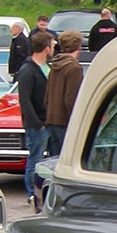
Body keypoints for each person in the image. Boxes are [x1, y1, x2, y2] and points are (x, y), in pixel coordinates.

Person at [17, 31, 52, 211]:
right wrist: (37, 123)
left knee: (51, 158)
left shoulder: (47, 67)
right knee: (35, 158)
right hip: (36, 124)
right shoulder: (27, 70)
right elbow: (25, 100)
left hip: (49, 120)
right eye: (52, 45)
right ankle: (31, 191)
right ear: (46, 48)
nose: (54, 48)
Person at [44, 30, 85, 158]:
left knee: (54, 161)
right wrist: (76, 122)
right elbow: (70, 99)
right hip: (65, 122)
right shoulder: (74, 68)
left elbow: (47, 96)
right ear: (79, 46)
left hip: (51, 120)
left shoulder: (55, 65)